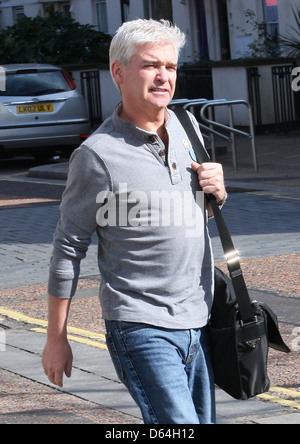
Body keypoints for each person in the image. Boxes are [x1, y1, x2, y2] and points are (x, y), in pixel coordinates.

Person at [42, 19, 227, 425]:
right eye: (150, 66)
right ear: (119, 72)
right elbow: (67, 249)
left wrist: (216, 194)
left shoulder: (187, 128)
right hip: (140, 326)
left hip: (199, 318)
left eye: (172, 67)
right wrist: (56, 338)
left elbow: (185, 216)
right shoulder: (97, 156)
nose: (164, 77)